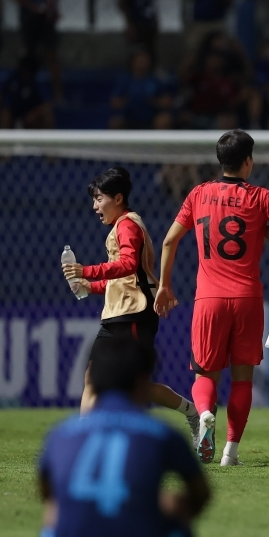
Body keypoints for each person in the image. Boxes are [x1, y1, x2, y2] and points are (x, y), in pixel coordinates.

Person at [37, 337, 211, 537]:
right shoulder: (161, 434)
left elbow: (46, 494)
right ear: (143, 382)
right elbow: (202, 495)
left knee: (56, 507)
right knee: (174, 504)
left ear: (91, 379)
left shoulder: (60, 435)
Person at [155, 131, 269, 467]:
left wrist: (164, 286)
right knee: (242, 379)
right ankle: (231, 453)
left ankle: (204, 416)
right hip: (247, 298)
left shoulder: (198, 193)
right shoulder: (260, 196)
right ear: (248, 162)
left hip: (209, 299)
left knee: (204, 376)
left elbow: (169, 242)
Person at [60, 167, 199, 443]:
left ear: (118, 198)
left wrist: (86, 271)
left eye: (99, 198)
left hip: (135, 314)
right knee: (93, 376)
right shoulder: (119, 226)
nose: (94, 206)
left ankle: (192, 412)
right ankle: (84, 439)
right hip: (117, 315)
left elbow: (128, 266)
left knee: (136, 384)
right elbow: (122, 280)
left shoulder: (128, 225)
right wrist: (91, 286)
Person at [8, 0, 62, 102]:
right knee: (28, 56)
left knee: (51, 55)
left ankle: (58, 94)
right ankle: (26, 92)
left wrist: (52, 2)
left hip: (47, 17)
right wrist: (30, 6)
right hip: (29, 18)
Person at [109, 50, 173, 130]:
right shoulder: (125, 80)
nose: (141, 63)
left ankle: (161, 142)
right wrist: (129, 99)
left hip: (151, 117)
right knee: (115, 122)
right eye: (139, 60)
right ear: (132, 62)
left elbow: (167, 101)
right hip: (129, 117)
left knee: (164, 119)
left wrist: (154, 101)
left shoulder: (155, 80)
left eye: (144, 60)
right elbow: (114, 102)